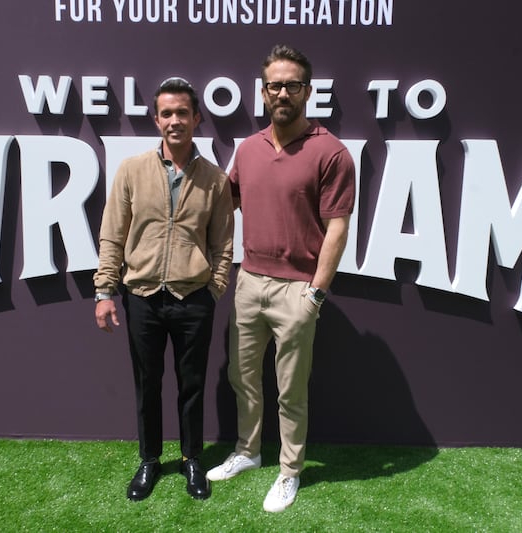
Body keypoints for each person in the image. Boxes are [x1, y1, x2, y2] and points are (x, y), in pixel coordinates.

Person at [206, 45, 355, 512]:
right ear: (263, 91)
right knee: (242, 376)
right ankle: (248, 451)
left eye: (292, 85)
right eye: (275, 85)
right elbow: (222, 203)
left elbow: (337, 228)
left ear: (308, 91)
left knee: (290, 390)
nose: (283, 93)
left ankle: (290, 471)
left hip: (297, 290)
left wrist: (315, 294)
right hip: (250, 282)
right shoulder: (248, 149)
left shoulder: (330, 152)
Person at [93, 77, 234, 501]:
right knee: (147, 383)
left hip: (194, 300)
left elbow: (223, 245)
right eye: (167, 113)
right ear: (156, 119)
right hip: (142, 298)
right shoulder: (131, 170)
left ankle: (192, 459)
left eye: (182, 113)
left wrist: (214, 290)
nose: (175, 120)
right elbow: (112, 234)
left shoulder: (215, 180)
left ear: (197, 118)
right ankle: (150, 459)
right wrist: (104, 291)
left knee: (192, 385)